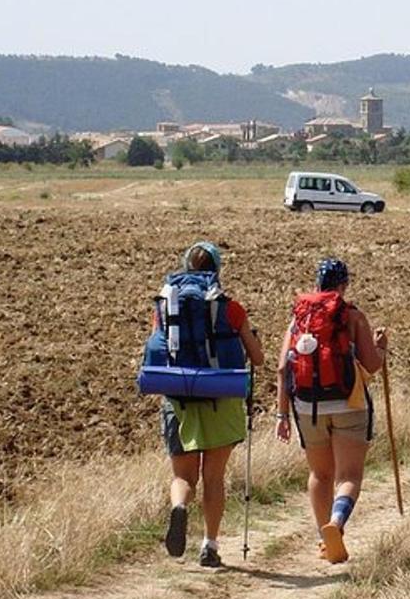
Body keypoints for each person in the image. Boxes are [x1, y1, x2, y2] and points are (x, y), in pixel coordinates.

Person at [155, 241, 264, 568]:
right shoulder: (230, 308)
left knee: (184, 476)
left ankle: (179, 507)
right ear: (216, 270)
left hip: (179, 399)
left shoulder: (167, 306)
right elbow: (257, 358)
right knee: (213, 477)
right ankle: (210, 546)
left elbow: (160, 350)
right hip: (221, 397)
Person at [274, 258, 388, 564]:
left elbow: (284, 367)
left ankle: (324, 541)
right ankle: (336, 524)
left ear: (316, 284)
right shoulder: (351, 315)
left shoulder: (299, 319)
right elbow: (372, 365)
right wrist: (382, 348)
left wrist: (282, 415)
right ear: (343, 285)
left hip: (307, 406)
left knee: (319, 474)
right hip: (349, 404)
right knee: (348, 475)